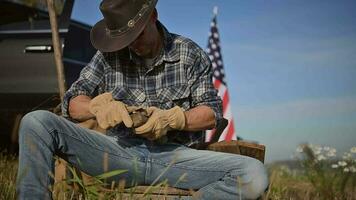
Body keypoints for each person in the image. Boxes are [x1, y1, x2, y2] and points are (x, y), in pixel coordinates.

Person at [16, 0, 268, 199]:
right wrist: (96, 106)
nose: (132, 45)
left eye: (136, 35)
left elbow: (211, 114)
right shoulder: (108, 54)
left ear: (153, 17)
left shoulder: (189, 52)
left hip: (176, 159)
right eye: (124, 39)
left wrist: (173, 119)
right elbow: (72, 101)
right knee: (36, 122)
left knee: (253, 174)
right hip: (118, 154)